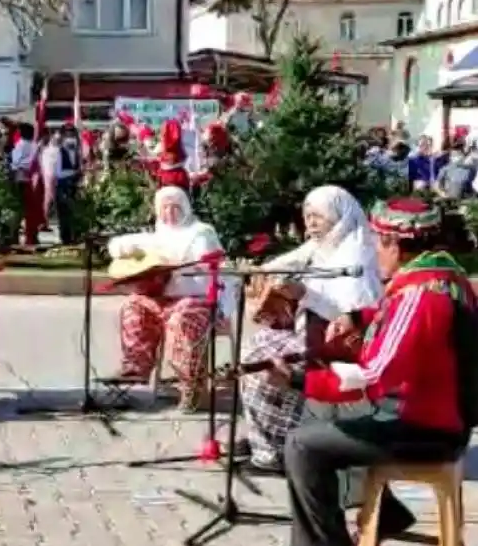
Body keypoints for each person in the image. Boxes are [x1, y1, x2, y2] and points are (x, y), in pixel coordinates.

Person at [277, 197, 477, 546]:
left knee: (302, 443)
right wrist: (358, 317)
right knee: (322, 412)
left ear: (394, 246)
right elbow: (395, 318)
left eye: (377, 241)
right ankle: (385, 514)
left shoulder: (421, 297)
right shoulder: (444, 276)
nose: (373, 250)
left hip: (423, 426)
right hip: (439, 415)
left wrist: (299, 379)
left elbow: (370, 380)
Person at [239, 186, 383, 473]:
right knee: (254, 347)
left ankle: (274, 453)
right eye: (307, 216)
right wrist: (259, 272)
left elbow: (354, 320)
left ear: (339, 218)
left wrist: (304, 294)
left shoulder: (355, 254)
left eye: (318, 217)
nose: (311, 224)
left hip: (337, 347)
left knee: (259, 367)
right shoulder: (322, 246)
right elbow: (287, 261)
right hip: (310, 333)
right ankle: (272, 435)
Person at [107, 186, 232, 412]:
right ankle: (136, 367)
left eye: (175, 207)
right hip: (162, 300)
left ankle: (192, 387)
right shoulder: (157, 235)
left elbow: (210, 267)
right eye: (164, 208)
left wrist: (224, 309)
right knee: (133, 305)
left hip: (196, 301)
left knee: (183, 315)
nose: (170, 213)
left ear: (185, 208)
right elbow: (116, 246)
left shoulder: (201, 232)